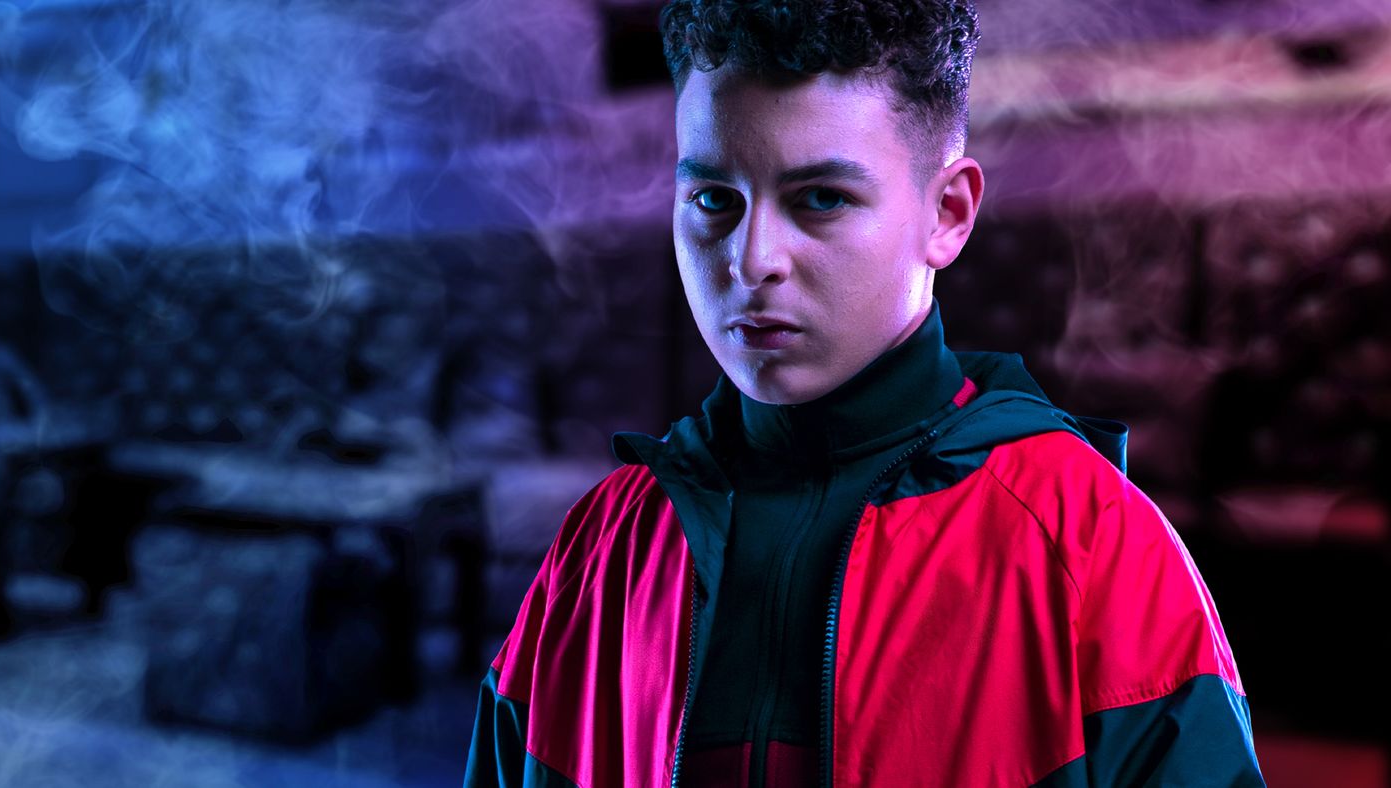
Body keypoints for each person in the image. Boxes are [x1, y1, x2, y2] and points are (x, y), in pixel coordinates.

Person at [464, 1, 1263, 785]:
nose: (752, 260)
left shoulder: (1092, 545)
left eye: (821, 198)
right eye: (713, 200)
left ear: (947, 213)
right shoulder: (601, 545)